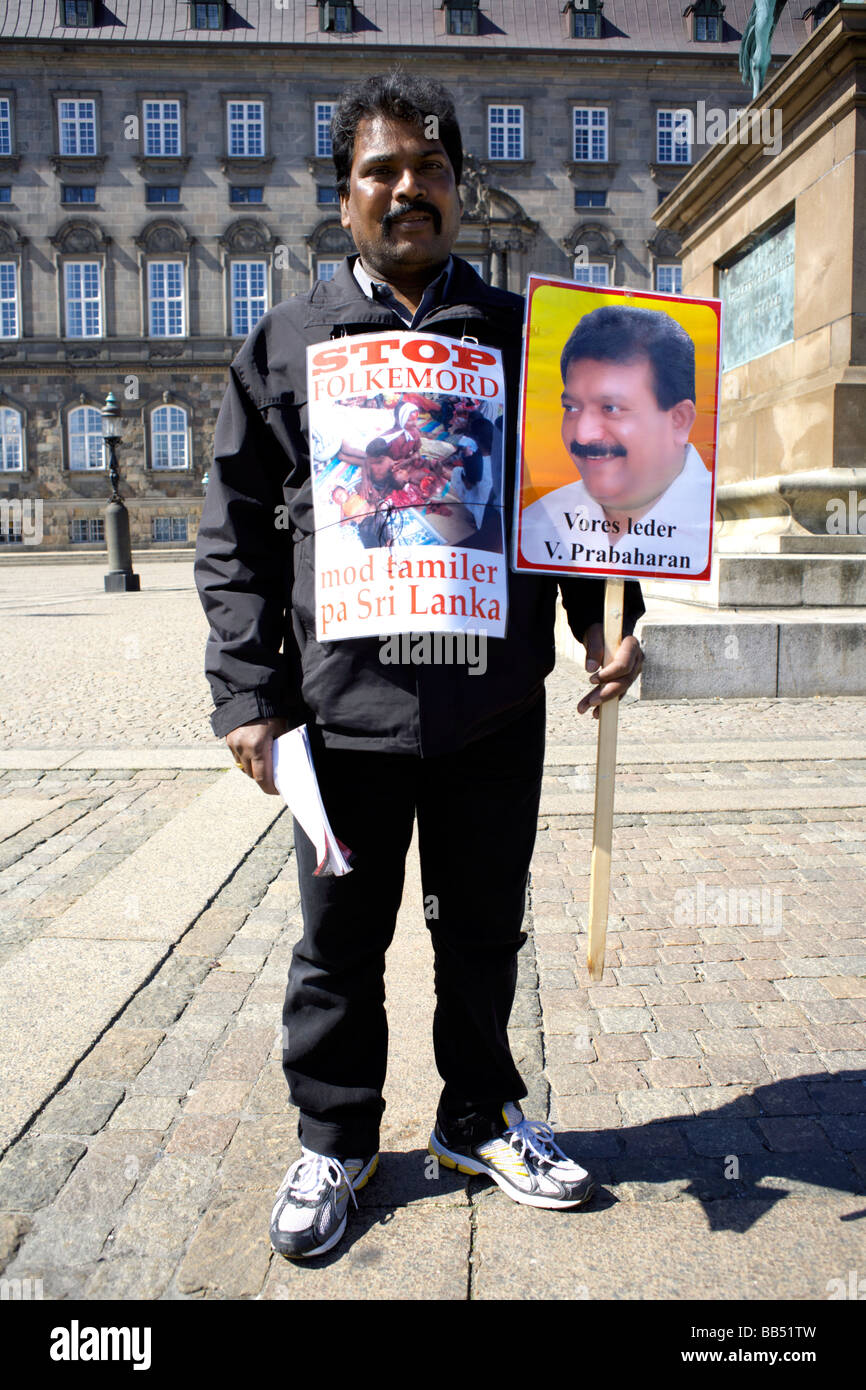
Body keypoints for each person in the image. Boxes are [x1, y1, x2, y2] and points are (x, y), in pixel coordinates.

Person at [193, 70, 645, 1263]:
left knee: (481, 927)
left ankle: (477, 1113)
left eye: (430, 168)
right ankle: (337, 1136)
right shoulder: (284, 344)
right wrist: (246, 692)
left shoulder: (525, 338)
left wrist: (609, 623)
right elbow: (232, 529)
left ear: (456, 188)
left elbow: (582, 499)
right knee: (338, 941)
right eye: (381, 171)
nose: (408, 189)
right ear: (342, 201)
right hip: (337, 717)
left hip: (492, 706)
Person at [519, 305, 713, 575]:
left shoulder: (719, 527)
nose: (583, 435)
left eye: (611, 408)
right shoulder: (538, 523)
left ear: (679, 419)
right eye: (572, 408)